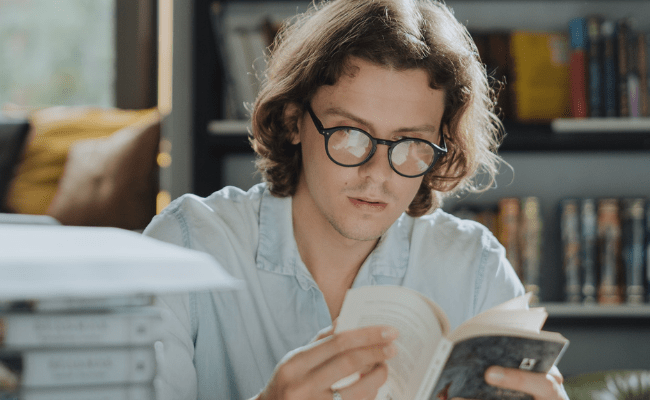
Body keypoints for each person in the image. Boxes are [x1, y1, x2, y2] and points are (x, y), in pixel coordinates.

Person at [144, 1, 569, 399]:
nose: (378, 174)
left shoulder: (473, 267)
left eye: (411, 143)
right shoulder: (185, 248)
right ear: (295, 121)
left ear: (441, 144)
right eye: (349, 134)